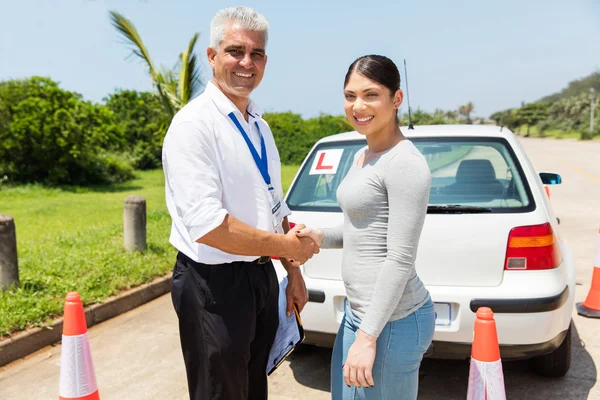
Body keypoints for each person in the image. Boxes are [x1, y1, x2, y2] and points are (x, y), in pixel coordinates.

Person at [161, 7, 317, 400]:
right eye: (235, 51)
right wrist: (288, 248)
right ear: (212, 56)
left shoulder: (259, 126)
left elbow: (274, 205)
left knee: (252, 387)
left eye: (257, 54)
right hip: (212, 285)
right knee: (220, 392)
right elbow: (210, 227)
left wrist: (292, 270)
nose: (247, 63)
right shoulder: (193, 125)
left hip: (259, 279)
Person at [297, 55, 435, 400]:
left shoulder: (404, 163)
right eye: (350, 95)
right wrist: (320, 236)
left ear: (396, 99)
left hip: (394, 321)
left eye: (371, 94)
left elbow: (400, 258)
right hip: (360, 313)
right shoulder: (364, 155)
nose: (358, 106)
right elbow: (365, 230)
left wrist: (368, 337)